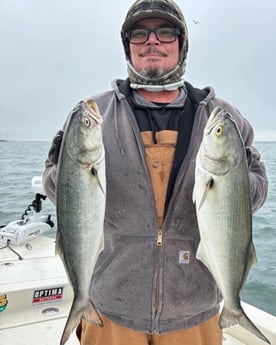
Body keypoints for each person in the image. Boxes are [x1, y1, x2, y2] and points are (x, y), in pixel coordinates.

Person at [43, 1, 268, 344]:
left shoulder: (222, 117)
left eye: (165, 32)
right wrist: (66, 169)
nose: (152, 41)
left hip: (195, 309)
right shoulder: (94, 113)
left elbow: (255, 194)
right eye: (139, 34)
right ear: (128, 46)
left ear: (181, 44)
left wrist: (233, 175)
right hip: (110, 308)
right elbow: (60, 193)